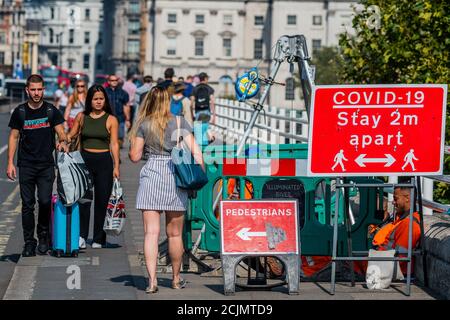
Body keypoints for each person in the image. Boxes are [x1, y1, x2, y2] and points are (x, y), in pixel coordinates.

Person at [128, 84, 205, 294]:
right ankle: (176, 278)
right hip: (175, 175)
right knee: (174, 234)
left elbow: (134, 157)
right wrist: (199, 176)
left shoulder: (144, 123)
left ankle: (152, 281)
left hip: (152, 174)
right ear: (168, 101)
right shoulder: (180, 122)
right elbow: (198, 155)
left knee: (150, 233)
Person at [6, 74, 68, 257]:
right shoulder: (20, 112)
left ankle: (43, 237)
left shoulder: (51, 110)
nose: (36, 93)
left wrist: (62, 142)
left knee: (45, 201)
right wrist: (10, 162)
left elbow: (61, 133)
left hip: (46, 165)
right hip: (26, 164)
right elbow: (14, 137)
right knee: (27, 205)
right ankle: (29, 242)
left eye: (39, 89)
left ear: (43, 89)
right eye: (33, 89)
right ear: (27, 90)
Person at [67, 84, 120, 249]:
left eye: (101, 99)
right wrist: (62, 138)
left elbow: (114, 144)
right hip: (85, 160)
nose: (98, 102)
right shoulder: (82, 117)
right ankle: (82, 236)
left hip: (104, 161)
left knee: (102, 201)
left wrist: (116, 166)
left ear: (105, 100)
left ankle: (98, 238)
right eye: (95, 99)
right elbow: (72, 134)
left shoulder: (111, 119)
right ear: (89, 100)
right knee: (84, 201)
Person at [105, 74, 131, 148]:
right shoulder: (104, 91)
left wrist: (128, 119)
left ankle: (117, 154)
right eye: (112, 80)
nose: (114, 82)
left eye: (116, 80)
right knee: (107, 138)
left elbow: (126, 106)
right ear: (109, 81)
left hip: (120, 118)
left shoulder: (123, 93)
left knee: (120, 138)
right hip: (107, 118)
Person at [191, 72, 216, 145]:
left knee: (199, 133)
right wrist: (214, 115)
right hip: (206, 112)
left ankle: (201, 150)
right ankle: (205, 146)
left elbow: (191, 103)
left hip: (198, 112)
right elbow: (212, 102)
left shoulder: (195, 88)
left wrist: (192, 114)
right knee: (204, 130)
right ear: (205, 79)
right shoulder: (209, 88)